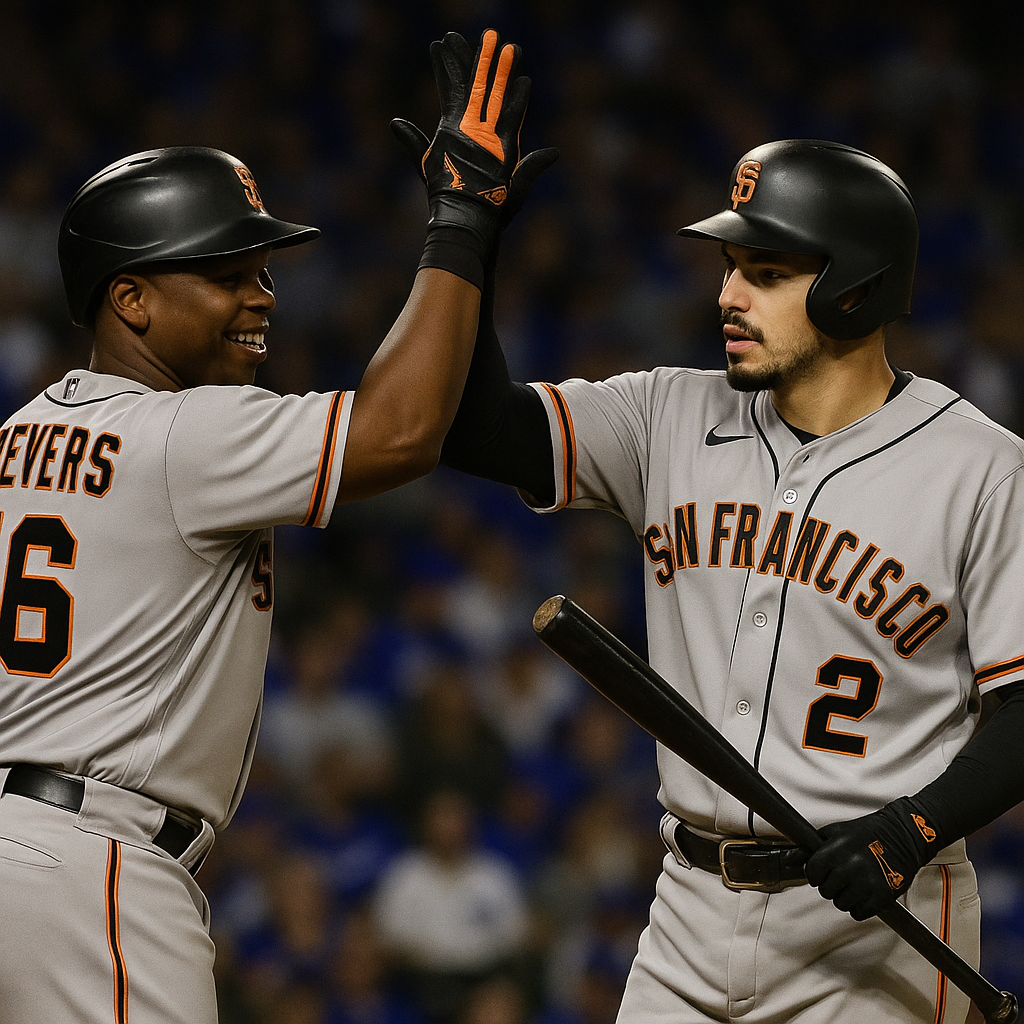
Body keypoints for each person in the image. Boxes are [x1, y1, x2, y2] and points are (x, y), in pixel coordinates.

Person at [0, 28, 556, 1024]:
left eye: (261, 271)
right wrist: (462, 218)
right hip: (94, 872)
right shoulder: (181, 431)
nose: (262, 297)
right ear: (127, 298)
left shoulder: (19, 437)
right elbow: (403, 429)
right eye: (224, 273)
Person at [437, 138, 1024, 1023]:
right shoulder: (665, 414)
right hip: (687, 909)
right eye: (729, 266)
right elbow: (474, 427)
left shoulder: (979, 468)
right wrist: (466, 234)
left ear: (854, 285)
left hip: (876, 922)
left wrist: (916, 830)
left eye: (766, 271)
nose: (727, 295)